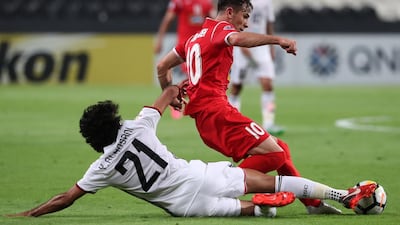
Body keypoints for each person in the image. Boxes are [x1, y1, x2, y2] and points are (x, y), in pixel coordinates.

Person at [6, 83, 376, 218]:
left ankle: (261, 210)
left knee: (245, 211)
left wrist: (29, 213)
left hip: (188, 207)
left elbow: (65, 199)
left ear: (92, 139)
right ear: (116, 121)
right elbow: (165, 96)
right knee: (272, 178)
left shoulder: (100, 168)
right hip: (200, 174)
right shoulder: (137, 125)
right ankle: (342, 195)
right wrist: (178, 89)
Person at [156, 0, 341, 214]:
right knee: (277, 154)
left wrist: (169, 94)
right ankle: (216, 193)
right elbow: (236, 38)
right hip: (217, 113)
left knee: (281, 148)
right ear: (229, 12)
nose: (245, 23)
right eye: (244, 16)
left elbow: (162, 67)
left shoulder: (193, 38)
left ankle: (313, 205)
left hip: (208, 117)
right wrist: (277, 39)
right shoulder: (222, 28)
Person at [228, 0, 284, 136]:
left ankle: (269, 123)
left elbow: (269, 23)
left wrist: (271, 47)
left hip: (261, 47)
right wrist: (239, 44)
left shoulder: (266, 2)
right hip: (242, 44)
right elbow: (233, 21)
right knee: (236, 87)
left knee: (268, 84)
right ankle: (231, 123)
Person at [154, 0, 214, 119]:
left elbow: (213, 21)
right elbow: (168, 19)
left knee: (199, 77)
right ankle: (175, 99)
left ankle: (178, 99)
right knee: (191, 75)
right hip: (185, 45)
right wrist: (159, 40)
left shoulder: (206, 3)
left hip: (201, 44)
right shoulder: (179, 2)